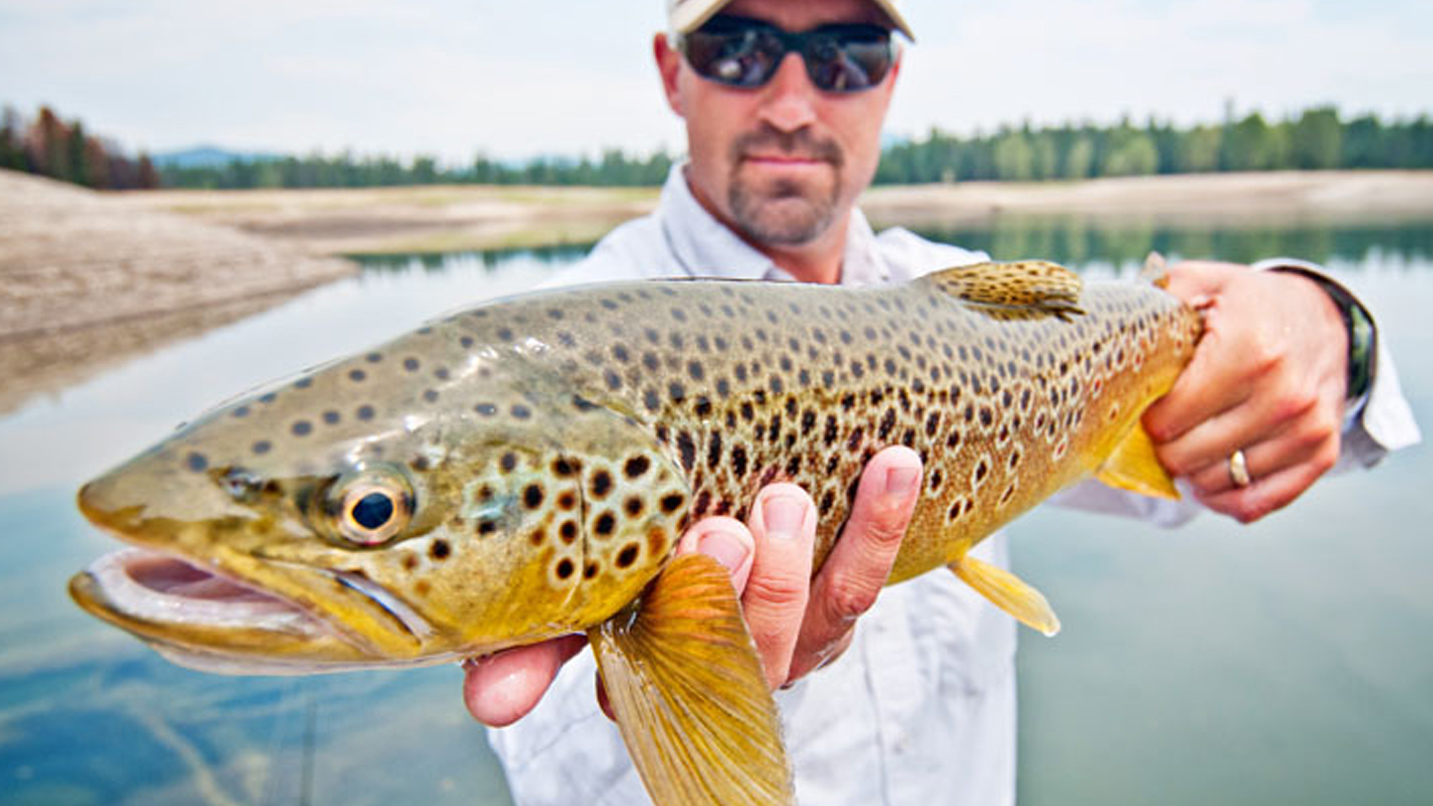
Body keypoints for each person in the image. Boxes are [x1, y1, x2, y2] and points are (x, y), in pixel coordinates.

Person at [460, 0, 1422, 803]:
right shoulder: (532, 379)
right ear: (673, 73)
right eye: (739, 49)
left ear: (890, 81)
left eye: (846, 55)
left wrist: (1326, 324)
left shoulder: (971, 302)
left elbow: (1192, 444)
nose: (793, 101)